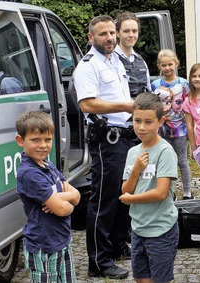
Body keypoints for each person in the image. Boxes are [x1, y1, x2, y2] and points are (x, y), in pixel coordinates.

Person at [73, 15, 133, 279]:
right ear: (91, 37)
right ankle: (99, 262)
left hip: (125, 135)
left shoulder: (115, 60)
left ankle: (118, 245)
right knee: (103, 201)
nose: (109, 38)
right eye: (102, 34)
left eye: (112, 33)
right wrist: (126, 106)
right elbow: (87, 104)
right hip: (106, 140)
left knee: (123, 196)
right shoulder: (87, 66)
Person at [120, 92, 180, 283]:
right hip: (138, 228)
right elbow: (125, 189)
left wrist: (131, 200)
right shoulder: (132, 153)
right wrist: (136, 170)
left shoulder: (165, 151)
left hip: (161, 229)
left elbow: (161, 193)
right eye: (137, 121)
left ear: (160, 122)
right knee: (141, 278)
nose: (141, 127)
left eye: (148, 122)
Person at [15, 111, 80, 283]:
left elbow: (77, 195)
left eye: (47, 139)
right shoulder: (29, 174)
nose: (42, 145)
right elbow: (62, 209)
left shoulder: (47, 164)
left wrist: (61, 197)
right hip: (43, 247)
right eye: (35, 140)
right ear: (21, 141)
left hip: (62, 240)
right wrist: (66, 200)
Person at [151, 49, 193, 199]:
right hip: (163, 128)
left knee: (182, 160)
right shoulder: (156, 84)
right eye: (164, 65)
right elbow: (153, 104)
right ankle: (170, 192)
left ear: (176, 64)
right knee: (167, 161)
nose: (167, 68)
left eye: (170, 64)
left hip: (180, 128)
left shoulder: (183, 83)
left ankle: (188, 191)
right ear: (159, 66)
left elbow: (189, 102)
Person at [114, 11, 152, 98]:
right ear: (117, 33)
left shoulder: (141, 61)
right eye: (126, 31)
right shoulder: (110, 59)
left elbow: (148, 90)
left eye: (134, 31)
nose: (131, 35)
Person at [182, 63, 200, 169]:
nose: (197, 79)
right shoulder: (188, 101)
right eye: (194, 76)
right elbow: (189, 126)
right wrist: (193, 148)